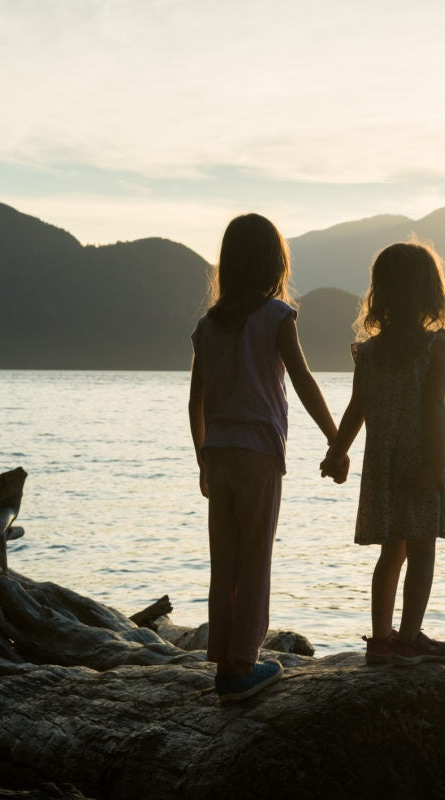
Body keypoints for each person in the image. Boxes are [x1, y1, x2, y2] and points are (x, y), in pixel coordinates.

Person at [189, 213, 339, 702]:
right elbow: (302, 380)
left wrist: (202, 460)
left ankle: (222, 662)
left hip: (220, 454)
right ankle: (243, 666)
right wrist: (335, 439)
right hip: (258, 453)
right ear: (275, 264)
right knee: (255, 559)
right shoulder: (276, 317)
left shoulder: (207, 327)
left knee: (225, 561)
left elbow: (196, 400)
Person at [320, 240, 445, 667]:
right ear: (430, 293)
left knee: (392, 551)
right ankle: (410, 639)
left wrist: (337, 452)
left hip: (382, 463)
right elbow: (434, 407)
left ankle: (381, 640)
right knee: (421, 551)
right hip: (421, 461)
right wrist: (435, 464)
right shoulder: (436, 348)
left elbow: (356, 408)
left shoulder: (369, 352)